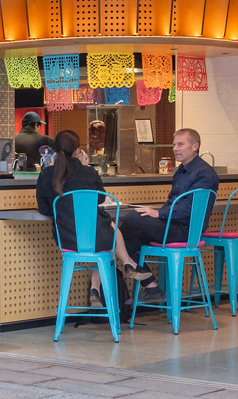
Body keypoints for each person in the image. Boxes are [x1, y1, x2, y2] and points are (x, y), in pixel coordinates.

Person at [35, 130, 141, 311]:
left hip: (66, 238)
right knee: (104, 240)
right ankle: (124, 267)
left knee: (101, 242)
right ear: (77, 150)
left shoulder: (46, 175)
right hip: (95, 236)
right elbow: (100, 199)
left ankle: (96, 289)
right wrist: (84, 165)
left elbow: (45, 209)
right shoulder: (89, 172)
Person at [115, 128, 219, 297]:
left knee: (133, 217)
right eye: (174, 145)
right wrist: (159, 214)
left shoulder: (205, 173)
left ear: (195, 146)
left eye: (180, 144)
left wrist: (158, 214)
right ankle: (152, 287)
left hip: (187, 230)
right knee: (123, 240)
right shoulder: (180, 171)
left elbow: (190, 208)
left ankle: (146, 282)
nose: (175, 148)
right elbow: (174, 201)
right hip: (173, 224)